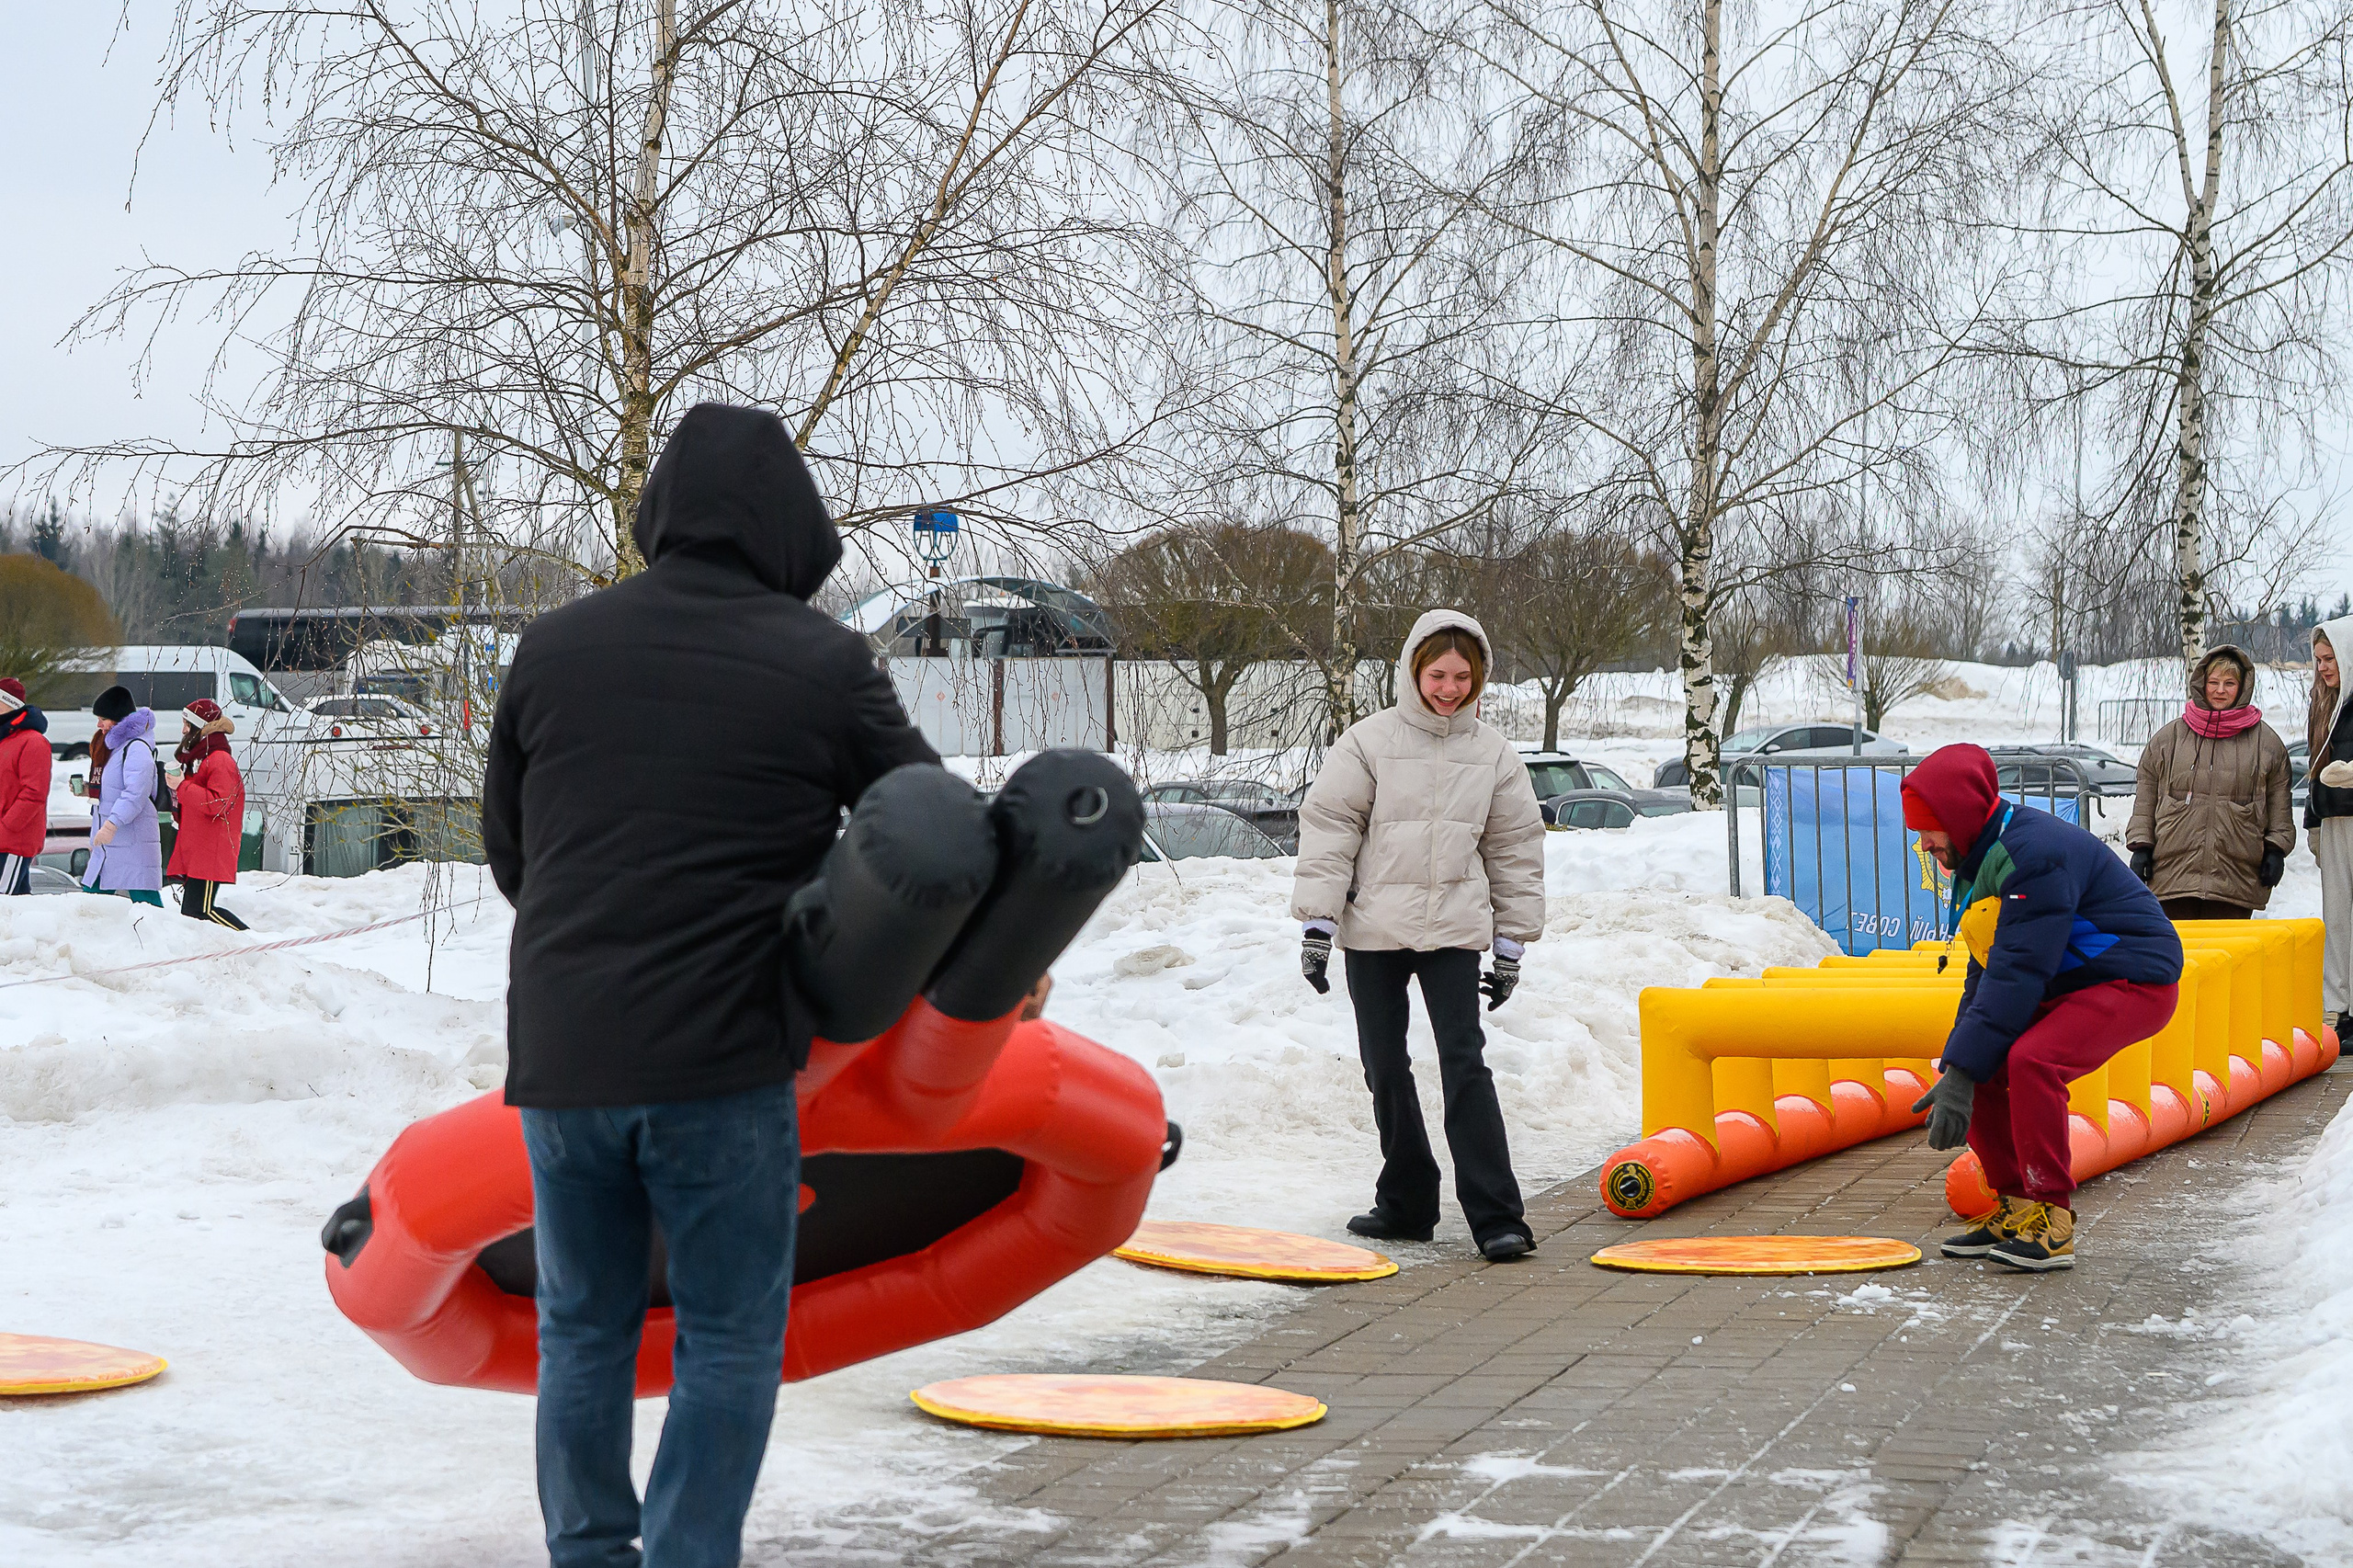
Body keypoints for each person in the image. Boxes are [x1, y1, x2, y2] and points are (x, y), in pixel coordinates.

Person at [483, 403, 938, 1568]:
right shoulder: (823, 659)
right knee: (728, 1335)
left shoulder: (553, 646)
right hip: (724, 1059)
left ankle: (587, 1553)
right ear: (793, 523)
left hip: (565, 1055)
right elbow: (930, 830)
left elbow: (511, 857)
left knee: (581, 1329)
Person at [1290, 609, 1547, 1264]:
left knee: (1465, 1063)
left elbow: (1515, 847)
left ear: (1480, 677)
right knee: (1386, 1067)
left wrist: (1512, 944)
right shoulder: (1369, 741)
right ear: (1413, 670)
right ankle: (1406, 1204)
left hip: (1454, 932)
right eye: (1438, 674)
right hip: (1374, 929)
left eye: (1464, 676)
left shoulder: (1492, 754)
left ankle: (1497, 1218)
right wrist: (1319, 925)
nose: (1450, 688)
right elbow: (1330, 828)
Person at [1903, 744, 2182, 1272]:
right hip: (2068, 979)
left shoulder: (2033, 855)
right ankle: (2016, 1205)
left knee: (2031, 1060)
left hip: (2134, 978)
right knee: (1974, 1058)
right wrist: (1961, 1065)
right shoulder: (1980, 857)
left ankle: (2052, 1219)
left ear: (1959, 817)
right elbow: (1987, 971)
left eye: (1928, 829)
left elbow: (2018, 973)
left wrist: (1967, 1064)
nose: (1924, 844)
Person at [2125, 643, 2293, 920]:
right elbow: (2146, 796)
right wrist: (2141, 846)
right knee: (2180, 959)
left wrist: (2276, 849)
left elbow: (2279, 802)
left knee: (2225, 960)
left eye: (2229, 683)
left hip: (2235, 879)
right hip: (2172, 875)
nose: (2220, 690)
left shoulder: (2267, 744)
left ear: (2243, 687)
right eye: (2213, 682)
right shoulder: (2169, 739)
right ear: (2201, 684)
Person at [2305, 615, 2353, 1040]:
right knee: (2337, 918)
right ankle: (2340, 1010)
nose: (2323, 667)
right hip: (2334, 820)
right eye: (2318, 659)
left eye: (2330, 657)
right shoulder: (2323, 703)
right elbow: (2313, 769)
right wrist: (2313, 822)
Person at [166, 699, 247, 929]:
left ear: (200, 727)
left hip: (210, 849)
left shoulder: (220, 760)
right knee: (193, 913)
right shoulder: (201, 759)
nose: (183, 730)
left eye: (187, 724)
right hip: (200, 848)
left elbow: (218, 804)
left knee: (199, 911)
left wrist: (182, 786)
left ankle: (250, 942)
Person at [82, 685, 165, 908]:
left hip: (132, 842)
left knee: (147, 906)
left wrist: (111, 824)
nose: (99, 725)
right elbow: (115, 785)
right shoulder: (116, 747)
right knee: (89, 902)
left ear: (117, 718)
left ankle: (164, 942)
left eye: (103, 719)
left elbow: (136, 794)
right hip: (112, 845)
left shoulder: (136, 748)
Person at [0, 677, 51, 895]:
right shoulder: (5, 740)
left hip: (12, 841)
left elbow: (34, 793)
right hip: (5, 839)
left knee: (5, 906)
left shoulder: (33, 741)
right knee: (18, 908)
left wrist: (6, 827)